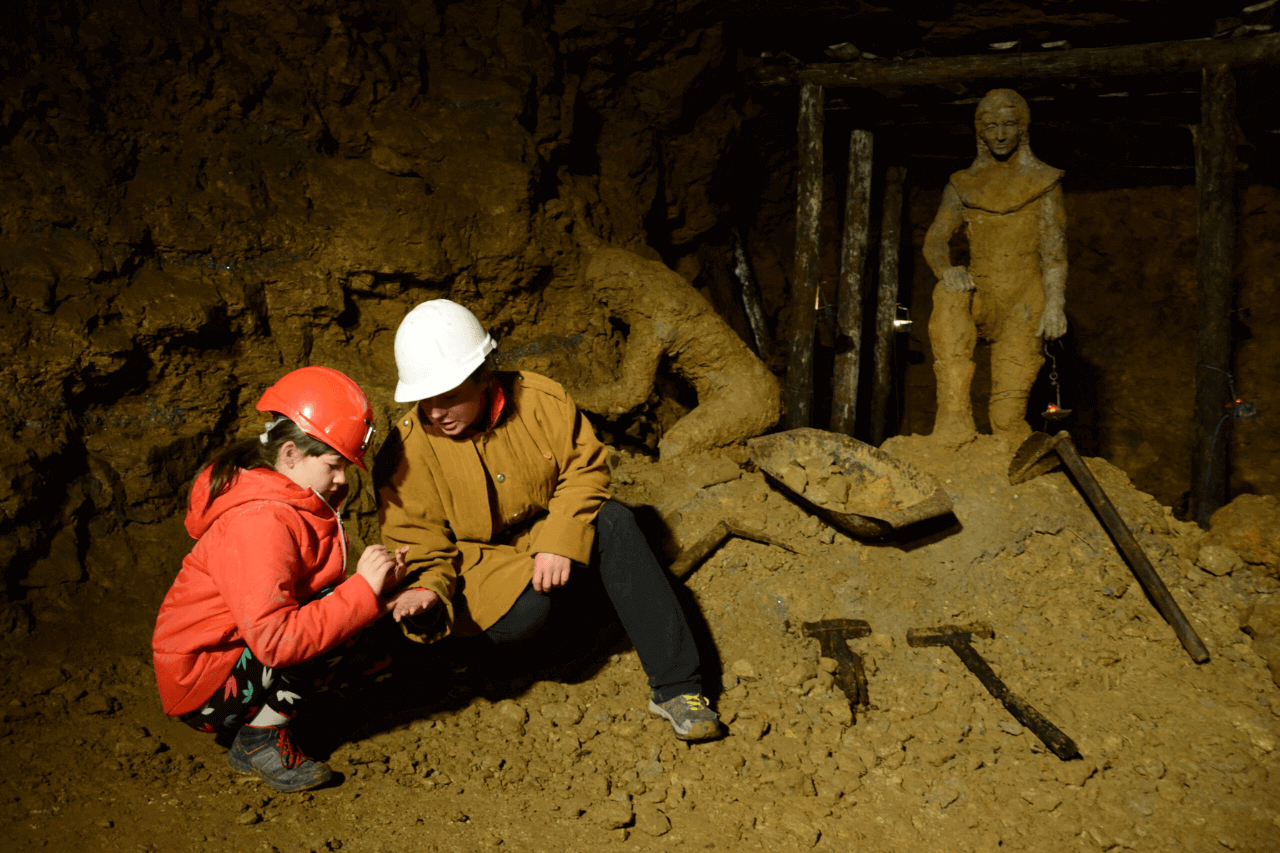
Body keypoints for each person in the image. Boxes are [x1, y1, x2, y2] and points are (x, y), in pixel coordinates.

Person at [376, 299, 721, 741]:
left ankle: (678, 688)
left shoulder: (541, 400)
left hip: (546, 533)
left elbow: (586, 469)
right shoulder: (403, 453)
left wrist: (560, 539)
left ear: (482, 377)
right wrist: (426, 588)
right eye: (426, 400)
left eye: (447, 397)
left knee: (616, 521)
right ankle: (508, 662)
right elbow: (419, 541)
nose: (435, 412)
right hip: (475, 567)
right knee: (526, 613)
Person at [152, 366, 409, 792]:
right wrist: (363, 592)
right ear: (289, 454)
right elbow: (277, 641)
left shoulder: (287, 501)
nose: (343, 478)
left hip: (228, 658)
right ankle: (258, 740)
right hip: (205, 686)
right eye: (333, 465)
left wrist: (377, 588)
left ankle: (279, 713)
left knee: (346, 608)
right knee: (340, 613)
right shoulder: (261, 522)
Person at [923, 88, 1068, 448]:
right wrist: (947, 269)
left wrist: (1055, 305)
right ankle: (953, 419)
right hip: (983, 293)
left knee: (1007, 420)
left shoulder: (1044, 182)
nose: (1000, 134)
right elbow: (935, 240)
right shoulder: (963, 185)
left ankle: (1008, 438)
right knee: (948, 296)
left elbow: (1054, 253)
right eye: (992, 126)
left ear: (1022, 129)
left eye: (1008, 125)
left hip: (1024, 299)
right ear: (980, 131)